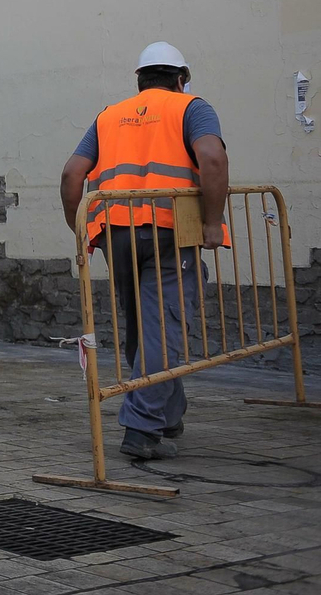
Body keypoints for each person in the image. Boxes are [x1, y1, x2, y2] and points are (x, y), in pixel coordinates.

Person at [60, 41, 229, 462]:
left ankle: (169, 415)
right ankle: (141, 426)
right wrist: (212, 222)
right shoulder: (191, 108)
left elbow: (72, 173)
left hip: (116, 234)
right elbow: (211, 159)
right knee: (165, 327)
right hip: (169, 231)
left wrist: (79, 227)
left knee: (141, 327)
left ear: (139, 80)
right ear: (181, 78)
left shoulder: (109, 116)